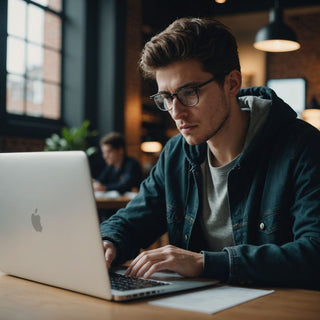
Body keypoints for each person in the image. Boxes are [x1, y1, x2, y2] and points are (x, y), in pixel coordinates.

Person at [100, 17, 320, 289]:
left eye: (189, 92)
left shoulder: (303, 147)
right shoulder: (176, 154)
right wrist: (108, 242)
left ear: (232, 83)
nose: (176, 112)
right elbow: (134, 219)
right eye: (166, 98)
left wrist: (205, 263)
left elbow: (314, 253)